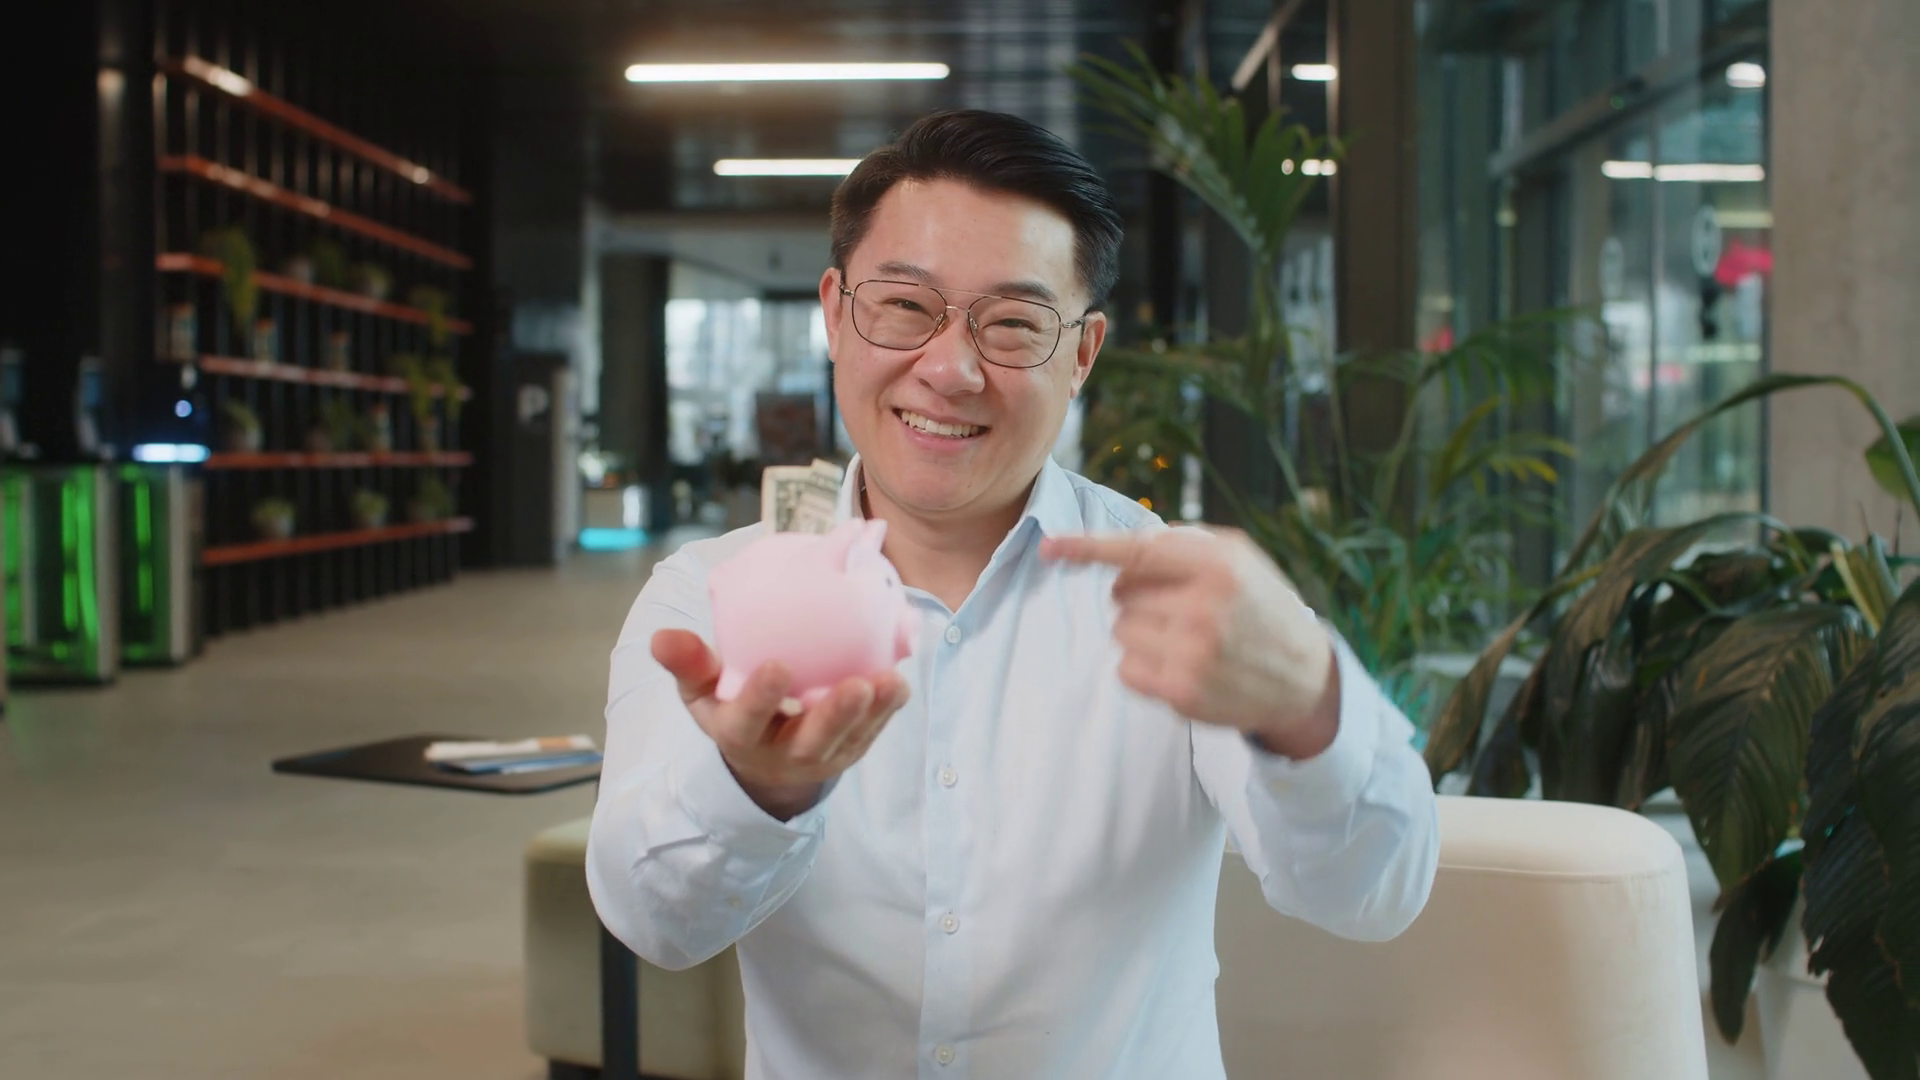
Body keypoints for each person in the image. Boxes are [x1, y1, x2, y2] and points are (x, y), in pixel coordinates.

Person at [589, 109, 1440, 1079]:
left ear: (1082, 354)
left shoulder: (1182, 594)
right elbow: (653, 922)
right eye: (904, 306)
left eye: (1013, 325)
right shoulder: (710, 597)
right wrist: (760, 790)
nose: (950, 369)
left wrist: (1309, 706)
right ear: (834, 312)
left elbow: (1373, 893)